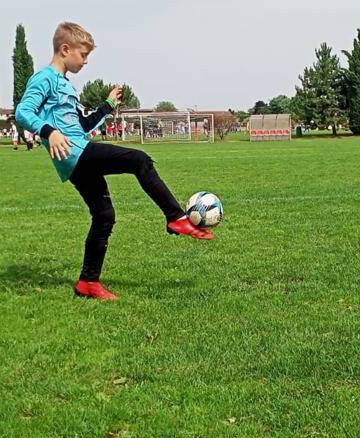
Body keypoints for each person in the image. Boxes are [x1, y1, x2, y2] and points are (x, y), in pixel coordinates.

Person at [15, 21, 212, 301]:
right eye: (83, 55)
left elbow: (81, 126)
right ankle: (176, 217)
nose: (85, 62)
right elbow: (23, 112)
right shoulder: (44, 78)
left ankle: (88, 283)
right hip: (75, 153)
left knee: (104, 216)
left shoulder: (64, 84)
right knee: (139, 160)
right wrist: (50, 132)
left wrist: (106, 107)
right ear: (65, 49)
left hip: (78, 153)